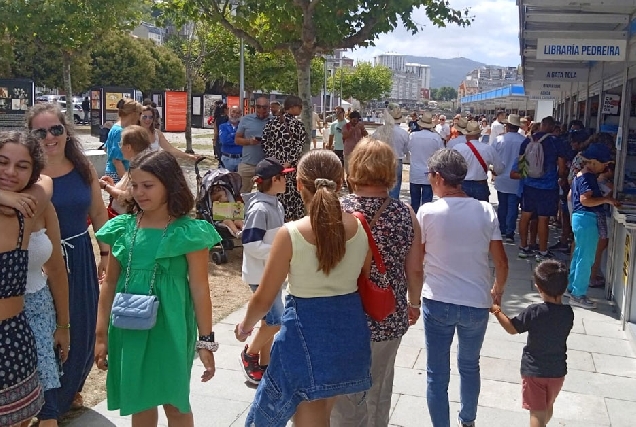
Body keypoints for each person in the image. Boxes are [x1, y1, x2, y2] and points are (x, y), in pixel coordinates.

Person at [234, 150, 372, 426]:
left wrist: (245, 327)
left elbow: (264, 295)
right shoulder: (358, 226)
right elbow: (363, 277)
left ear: (298, 184)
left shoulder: (291, 233)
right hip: (347, 327)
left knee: (303, 413)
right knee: (322, 408)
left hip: (305, 330)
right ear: (341, 182)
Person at [94, 150, 221, 427]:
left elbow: (200, 289)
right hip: (129, 327)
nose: (139, 192)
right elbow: (110, 283)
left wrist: (206, 341)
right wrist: (100, 334)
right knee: (140, 403)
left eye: (148, 185)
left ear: (169, 183)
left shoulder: (188, 232)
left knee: (175, 404)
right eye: (135, 185)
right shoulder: (123, 228)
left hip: (171, 327)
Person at [26, 103, 111, 417]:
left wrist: (105, 253)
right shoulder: (27, 173)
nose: (50, 136)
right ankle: (47, 402)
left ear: (65, 131)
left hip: (78, 257)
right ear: (31, 136)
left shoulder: (83, 167)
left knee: (82, 326)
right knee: (47, 329)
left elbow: (99, 212)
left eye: (56, 129)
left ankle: (70, 390)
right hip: (40, 265)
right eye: (41, 131)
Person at [333, 138, 424, 427]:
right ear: (390, 171)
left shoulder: (336, 211)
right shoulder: (405, 214)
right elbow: (415, 269)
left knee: (343, 391)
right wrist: (414, 303)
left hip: (342, 313)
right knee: (380, 386)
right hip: (387, 312)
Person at [416, 149, 508, 427]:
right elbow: (501, 262)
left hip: (438, 300)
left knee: (436, 372)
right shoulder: (484, 210)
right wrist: (497, 291)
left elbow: (417, 262)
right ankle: (467, 421)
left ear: (438, 177)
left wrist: (412, 297)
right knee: (470, 366)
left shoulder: (427, 212)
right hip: (476, 302)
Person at [0, 130, 54, 427]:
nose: (10, 172)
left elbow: (46, 183)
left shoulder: (25, 210)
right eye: (2, 162)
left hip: (11, 340)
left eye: (22, 166)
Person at [490, 260, 573, 427]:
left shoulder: (535, 312)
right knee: (547, 407)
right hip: (557, 372)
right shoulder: (568, 313)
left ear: (539, 288)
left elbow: (512, 328)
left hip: (535, 371)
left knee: (536, 413)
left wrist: (497, 310)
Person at [239, 157, 291, 384]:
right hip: (260, 275)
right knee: (277, 320)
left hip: (272, 273)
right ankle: (249, 353)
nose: (287, 180)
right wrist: (281, 251)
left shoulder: (275, 203)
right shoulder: (261, 208)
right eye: (284, 176)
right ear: (274, 180)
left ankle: (265, 362)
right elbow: (250, 244)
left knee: (269, 321)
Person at [567, 143, 619, 309]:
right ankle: (578, 294)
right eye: (604, 164)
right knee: (586, 257)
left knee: (579, 255)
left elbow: (570, 197)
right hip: (587, 218)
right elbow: (585, 200)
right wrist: (606, 200)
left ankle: (572, 287)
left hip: (579, 218)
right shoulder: (588, 178)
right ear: (595, 162)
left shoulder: (579, 175)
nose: (604, 168)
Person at [517, 116, 568, 261]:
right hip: (548, 186)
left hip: (529, 185)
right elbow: (562, 165)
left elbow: (521, 164)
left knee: (525, 215)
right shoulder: (555, 142)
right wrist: (561, 177)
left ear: (542, 125)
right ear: (552, 127)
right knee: (543, 219)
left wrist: (527, 177)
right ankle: (542, 251)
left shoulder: (528, 140)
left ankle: (523, 247)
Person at [262, 95, 307, 222]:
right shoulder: (297, 125)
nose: (301, 109)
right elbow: (298, 148)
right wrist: (287, 163)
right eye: (300, 107)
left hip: (274, 169)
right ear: (292, 108)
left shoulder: (271, 123)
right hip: (290, 170)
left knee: (276, 195)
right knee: (292, 198)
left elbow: (265, 144)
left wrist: (273, 161)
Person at [100, 125, 152, 216]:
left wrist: (106, 187)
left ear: (128, 147)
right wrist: (112, 185)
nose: (120, 147)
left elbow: (126, 198)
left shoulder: (138, 168)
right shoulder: (137, 164)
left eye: (121, 144)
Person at [493, 114, 528, 242]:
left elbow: (492, 157)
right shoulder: (524, 141)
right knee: (513, 206)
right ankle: (510, 232)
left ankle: (502, 229)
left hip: (502, 178)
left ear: (507, 126)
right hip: (516, 179)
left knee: (502, 205)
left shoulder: (499, 140)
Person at [452, 121, 504, 202]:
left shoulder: (457, 148)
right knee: (481, 212)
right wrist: (493, 171)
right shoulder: (488, 149)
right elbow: (499, 169)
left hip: (463, 184)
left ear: (466, 135)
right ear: (479, 135)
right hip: (481, 184)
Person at [408, 112, 444, 208]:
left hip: (415, 173)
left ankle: (415, 221)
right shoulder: (436, 137)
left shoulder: (412, 136)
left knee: (414, 202)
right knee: (427, 204)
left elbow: (407, 149)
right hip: (429, 173)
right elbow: (441, 153)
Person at [235, 97, 271, 193]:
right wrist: (250, 142)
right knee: (241, 195)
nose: (261, 110)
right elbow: (237, 140)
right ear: (255, 107)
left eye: (264, 107)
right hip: (247, 164)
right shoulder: (246, 119)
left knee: (266, 196)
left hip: (267, 166)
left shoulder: (274, 121)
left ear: (269, 108)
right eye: (259, 107)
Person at [373, 103, 409, 199]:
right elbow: (406, 149)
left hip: (381, 160)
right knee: (395, 188)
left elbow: (372, 144)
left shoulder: (379, 131)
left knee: (381, 186)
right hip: (397, 160)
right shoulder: (403, 133)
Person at [104, 99, 142, 183]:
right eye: (139, 113)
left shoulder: (115, 127)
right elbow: (117, 161)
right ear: (133, 114)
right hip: (118, 173)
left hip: (111, 171)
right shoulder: (121, 131)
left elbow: (106, 148)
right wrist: (127, 182)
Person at [218, 106, 243, 172]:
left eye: (238, 113)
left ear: (241, 115)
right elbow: (224, 140)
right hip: (227, 159)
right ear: (229, 113)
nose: (235, 115)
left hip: (241, 159)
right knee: (226, 180)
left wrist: (231, 135)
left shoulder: (243, 127)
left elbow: (244, 141)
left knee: (240, 181)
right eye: (233, 112)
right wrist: (238, 137)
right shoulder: (223, 126)